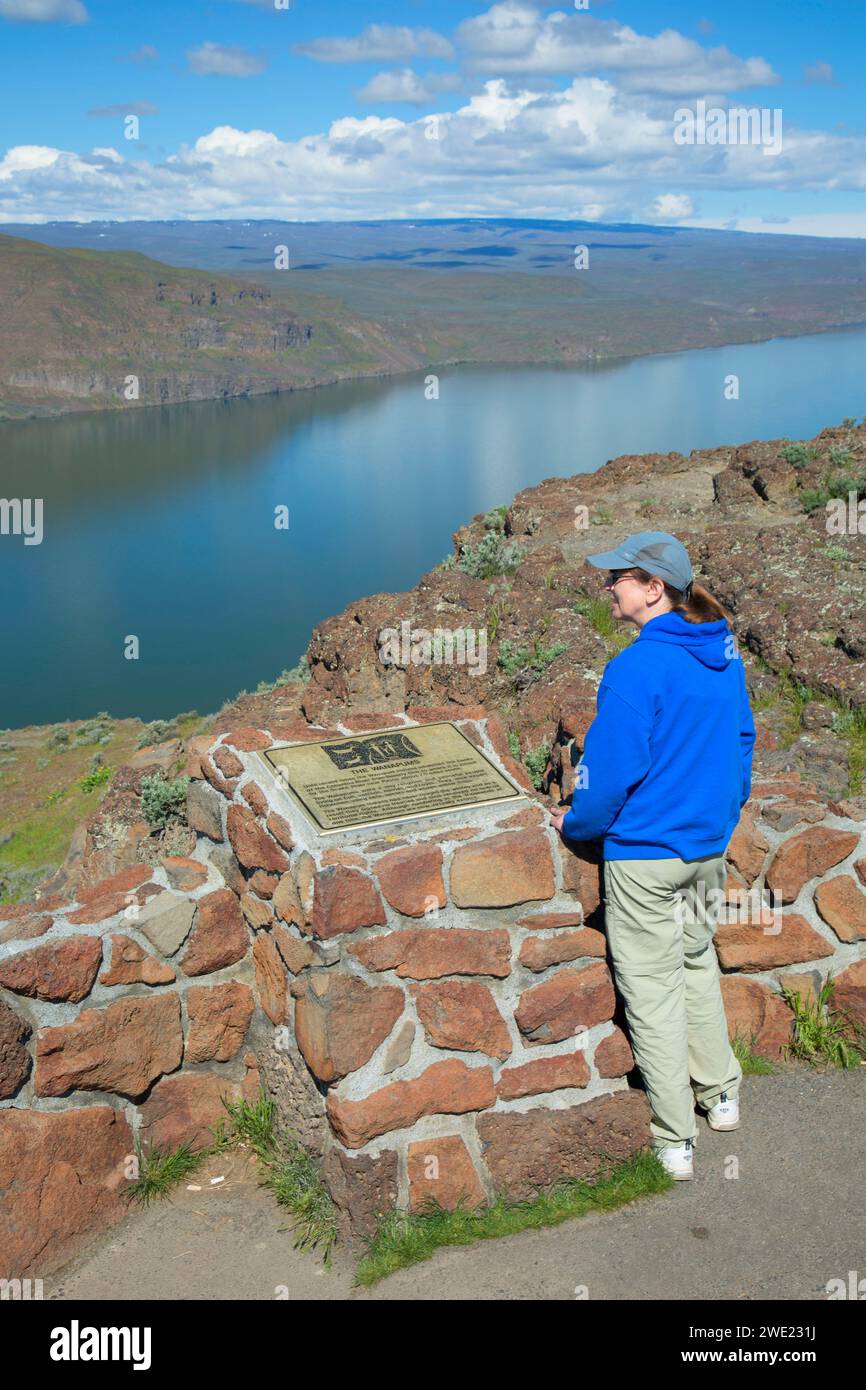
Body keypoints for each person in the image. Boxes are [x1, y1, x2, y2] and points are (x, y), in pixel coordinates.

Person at [548, 531, 756, 1180]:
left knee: (653, 989)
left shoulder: (636, 669)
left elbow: (608, 775)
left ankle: (675, 1140)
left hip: (646, 856)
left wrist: (572, 821)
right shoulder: (722, 654)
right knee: (696, 961)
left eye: (617, 578)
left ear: (653, 588)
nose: (607, 587)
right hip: (705, 847)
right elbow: (741, 746)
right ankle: (720, 1095)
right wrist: (720, 818)